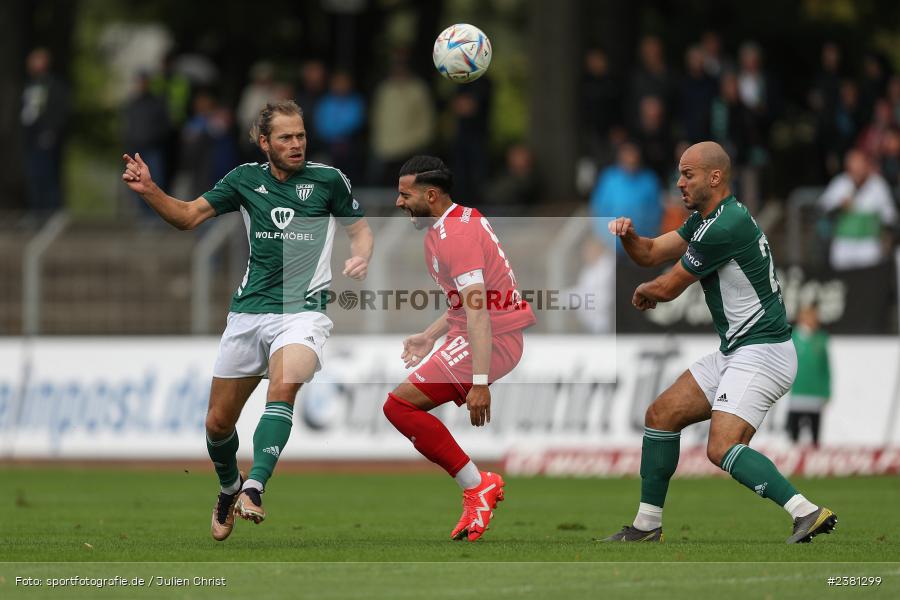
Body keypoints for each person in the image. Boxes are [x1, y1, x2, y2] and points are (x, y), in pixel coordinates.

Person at [121, 100, 374, 542]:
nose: (296, 145)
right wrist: (150, 190)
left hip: (303, 311)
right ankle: (229, 486)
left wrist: (361, 255)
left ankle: (255, 487)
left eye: (300, 136)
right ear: (264, 143)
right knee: (218, 424)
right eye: (285, 138)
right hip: (248, 313)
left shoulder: (328, 180)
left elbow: (360, 229)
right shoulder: (243, 179)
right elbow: (187, 217)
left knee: (283, 388)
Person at [601, 141, 836, 544]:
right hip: (738, 350)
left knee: (722, 447)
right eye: (679, 174)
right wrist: (629, 237)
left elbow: (669, 286)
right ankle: (645, 527)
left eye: (688, 174)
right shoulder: (710, 220)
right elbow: (652, 251)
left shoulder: (723, 228)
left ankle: (806, 511)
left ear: (715, 177)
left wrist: (646, 291)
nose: (679, 183)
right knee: (661, 415)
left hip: (763, 352)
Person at [384, 156, 536, 542]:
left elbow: (479, 313)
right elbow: (465, 302)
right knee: (399, 407)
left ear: (430, 195)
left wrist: (480, 383)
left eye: (406, 195)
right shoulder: (454, 223)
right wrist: (432, 334)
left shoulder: (456, 238)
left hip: (493, 340)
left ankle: (477, 485)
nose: (399, 202)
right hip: (474, 333)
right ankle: (476, 485)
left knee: (399, 406)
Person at [819, 148, 896, 271]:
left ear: (866, 165)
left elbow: (890, 216)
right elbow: (823, 208)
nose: (857, 171)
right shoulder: (840, 183)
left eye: (860, 165)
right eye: (853, 167)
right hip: (843, 244)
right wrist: (840, 207)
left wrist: (885, 237)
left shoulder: (878, 185)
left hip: (869, 244)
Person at [21, 48, 69, 214]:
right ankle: (37, 212)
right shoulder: (29, 85)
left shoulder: (54, 85)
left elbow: (60, 110)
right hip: (31, 138)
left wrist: (52, 132)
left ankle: (53, 211)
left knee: (49, 175)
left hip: (48, 137)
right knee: (34, 176)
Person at [787, 305, 831, 447]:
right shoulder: (792, 337)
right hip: (797, 392)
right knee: (794, 431)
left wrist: (826, 392)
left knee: (815, 432)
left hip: (815, 394)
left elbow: (826, 368)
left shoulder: (821, 338)